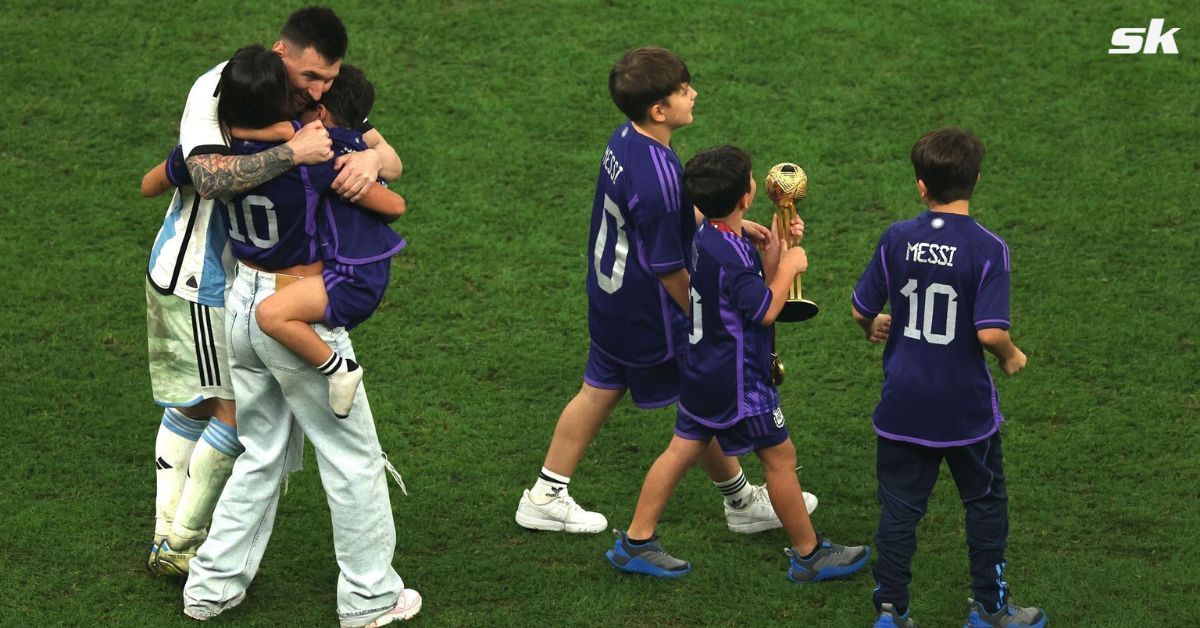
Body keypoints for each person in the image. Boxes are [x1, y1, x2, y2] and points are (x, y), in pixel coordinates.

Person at [516, 47, 813, 536]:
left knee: (599, 390)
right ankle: (740, 502)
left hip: (612, 299)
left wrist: (727, 222)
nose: (692, 93)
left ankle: (545, 494)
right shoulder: (658, 177)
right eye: (682, 90)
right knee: (701, 399)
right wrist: (702, 316)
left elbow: (660, 216)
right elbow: (668, 264)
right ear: (658, 109)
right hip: (649, 311)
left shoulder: (629, 141)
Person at [172, 43, 420, 626]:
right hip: (296, 314)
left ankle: (208, 589)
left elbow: (168, 175)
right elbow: (394, 196)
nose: (313, 97)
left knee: (259, 454)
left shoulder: (225, 147)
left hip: (240, 303)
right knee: (354, 460)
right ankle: (370, 599)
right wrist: (368, 157)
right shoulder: (314, 152)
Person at [605, 145, 870, 582]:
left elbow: (743, 288)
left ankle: (635, 541)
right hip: (739, 380)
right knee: (781, 458)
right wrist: (789, 266)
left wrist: (777, 243)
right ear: (746, 196)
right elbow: (764, 308)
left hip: (703, 366)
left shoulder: (708, 238)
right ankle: (810, 555)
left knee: (680, 450)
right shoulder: (730, 252)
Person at [140, 6, 343, 574]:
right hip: (199, 279)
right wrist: (289, 150)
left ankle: (167, 536)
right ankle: (181, 542)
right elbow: (200, 173)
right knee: (232, 413)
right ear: (282, 58)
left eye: (327, 80)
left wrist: (367, 151)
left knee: (198, 400)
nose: (320, 91)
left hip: (203, 276)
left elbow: (156, 178)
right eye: (311, 79)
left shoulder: (275, 101)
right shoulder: (220, 91)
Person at [851, 128, 1045, 628]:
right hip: (964, 410)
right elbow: (989, 332)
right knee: (984, 502)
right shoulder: (988, 248)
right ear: (976, 180)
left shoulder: (896, 237)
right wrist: (1011, 355)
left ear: (921, 187)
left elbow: (861, 309)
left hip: (902, 403)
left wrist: (874, 324)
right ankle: (989, 609)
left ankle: (891, 611)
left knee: (898, 510)